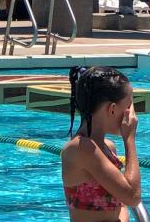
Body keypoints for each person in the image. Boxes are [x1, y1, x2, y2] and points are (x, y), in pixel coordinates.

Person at [61, 66, 141, 221]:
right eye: (129, 105)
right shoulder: (81, 149)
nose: (132, 115)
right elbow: (132, 197)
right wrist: (129, 139)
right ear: (112, 109)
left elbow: (120, 205)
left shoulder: (107, 148)